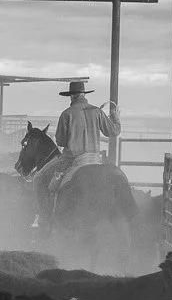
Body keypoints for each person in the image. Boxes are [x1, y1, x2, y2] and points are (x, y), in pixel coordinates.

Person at [34, 79, 119, 229]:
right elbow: (113, 131)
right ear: (83, 94)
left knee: (39, 178)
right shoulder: (97, 111)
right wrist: (116, 118)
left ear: (71, 96)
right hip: (94, 159)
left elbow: (60, 141)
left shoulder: (66, 114)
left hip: (72, 159)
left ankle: (45, 221)